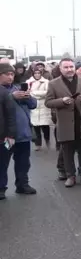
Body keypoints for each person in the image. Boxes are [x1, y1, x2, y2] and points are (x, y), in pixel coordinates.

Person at [45, 58, 81, 187]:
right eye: (66, 67)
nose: (69, 70)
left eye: (71, 67)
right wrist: (61, 101)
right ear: (60, 69)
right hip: (66, 124)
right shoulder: (53, 84)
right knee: (67, 153)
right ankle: (70, 176)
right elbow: (48, 102)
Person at [0, 63, 38, 198]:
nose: (10, 77)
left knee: (23, 162)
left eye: (12, 74)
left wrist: (27, 97)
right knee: (2, 163)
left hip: (23, 134)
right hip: (5, 136)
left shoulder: (17, 87)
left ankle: (22, 185)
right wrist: (12, 96)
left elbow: (34, 104)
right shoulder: (5, 92)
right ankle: (1, 188)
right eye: (7, 74)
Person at [26, 69, 53, 150]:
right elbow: (28, 92)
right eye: (35, 73)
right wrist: (37, 94)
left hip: (43, 105)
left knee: (45, 126)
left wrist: (34, 93)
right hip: (34, 105)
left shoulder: (46, 82)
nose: (37, 74)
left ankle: (47, 140)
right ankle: (38, 144)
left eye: (38, 73)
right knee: (36, 126)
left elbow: (47, 92)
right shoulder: (29, 82)